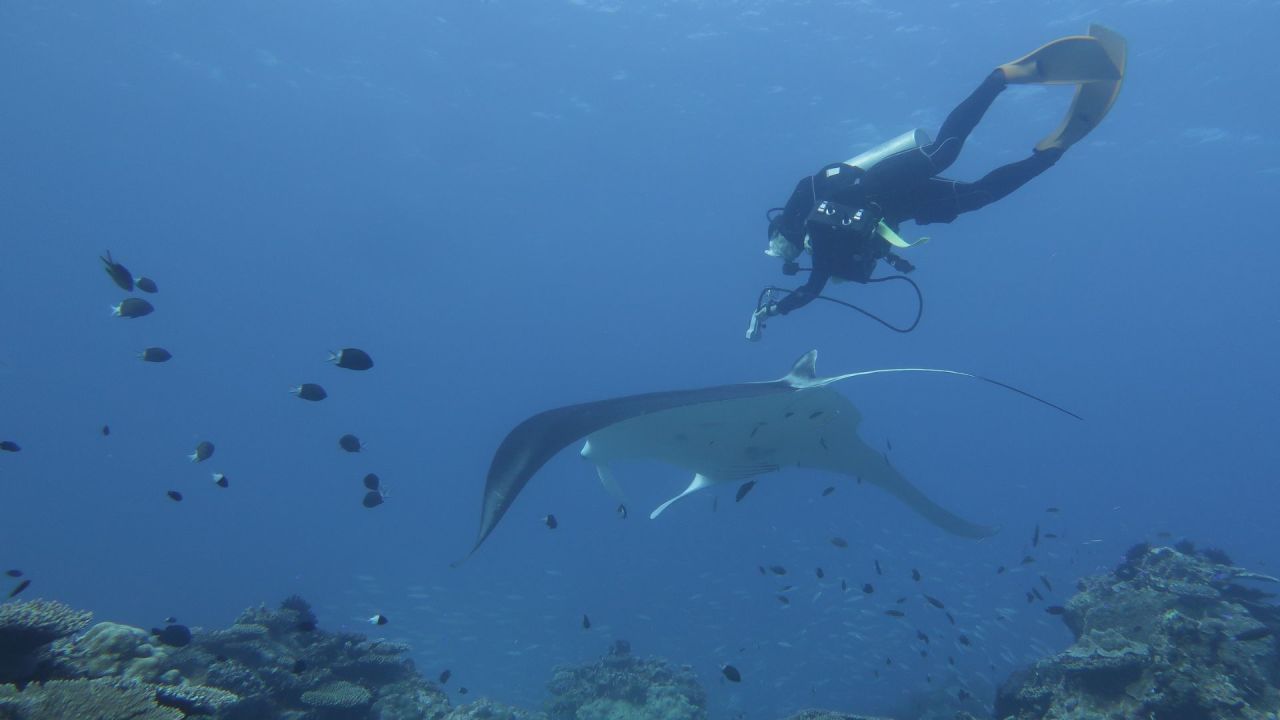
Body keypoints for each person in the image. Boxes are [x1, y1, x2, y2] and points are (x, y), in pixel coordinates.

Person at [747, 25, 1126, 341]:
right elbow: (812, 290)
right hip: (904, 208)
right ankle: (1052, 152)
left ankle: (1002, 77)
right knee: (979, 196)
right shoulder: (823, 256)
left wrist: (772, 308)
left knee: (944, 151)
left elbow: (822, 185)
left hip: (879, 184)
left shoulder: (809, 213)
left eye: (782, 248)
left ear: (784, 233)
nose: (788, 254)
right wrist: (773, 311)